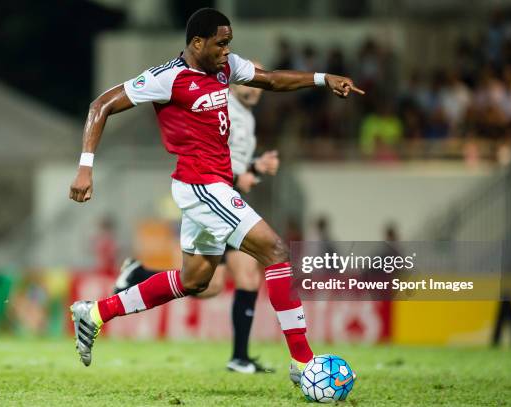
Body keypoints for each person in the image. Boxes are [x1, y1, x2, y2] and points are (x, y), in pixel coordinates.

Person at [68, 8, 363, 385]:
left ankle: (94, 314)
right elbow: (101, 105)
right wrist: (85, 166)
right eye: (221, 43)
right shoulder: (167, 78)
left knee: (195, 281)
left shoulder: (223, 69)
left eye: (230, 43)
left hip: (212, 185)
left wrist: (323, 79)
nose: (227, 51)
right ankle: (304, 363)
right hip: (201, 186)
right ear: (197, 43)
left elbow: (270, 80)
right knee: (275, 252)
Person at [113, 62, 279, 374]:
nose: (255, 87)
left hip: (224, 196)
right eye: (249, 80)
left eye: (259, 82)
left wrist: (252, 168)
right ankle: (240, 358)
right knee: (245, 274)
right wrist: (247, 173)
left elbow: (231, 163)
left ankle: (138, 274)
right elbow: (210, 157)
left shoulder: (245, 116)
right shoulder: (222, 106)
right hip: (212, 199)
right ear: (233, 81)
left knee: (211, 285)